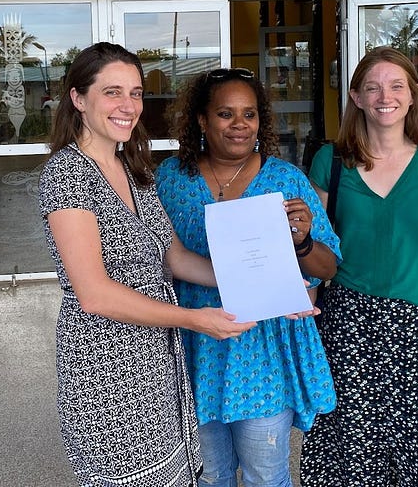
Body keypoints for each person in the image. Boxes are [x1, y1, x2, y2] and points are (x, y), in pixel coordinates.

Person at [39, 43, 256, 487]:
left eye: (136, 93)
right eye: (113, 92)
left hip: (158, 363)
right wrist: (194, 319)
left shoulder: (133, 168)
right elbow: (94, 293)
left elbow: (173, 257)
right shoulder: (66, 176)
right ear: (79, 99)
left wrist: (268, 288)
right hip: (105, 368)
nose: (128, 106)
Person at [155, 67, 342, 487]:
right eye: (225, 114)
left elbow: (328, 267)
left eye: (250, 114)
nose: (240, 125)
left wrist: (303, 240)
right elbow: (156, 256)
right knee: (209, 474)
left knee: (265, 475)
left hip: (263, 348)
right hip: (193, 343)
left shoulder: (285, 181)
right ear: (202, 120)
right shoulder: (170, 179)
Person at [299, 46, 418, 487]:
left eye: (397, 86)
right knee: (350, 448)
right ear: (356, 97)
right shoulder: (331, 162)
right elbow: (316, 251)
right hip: (345, 325)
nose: (385, 96)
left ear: (413, 95)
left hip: (415, 324)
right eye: (372, 87)